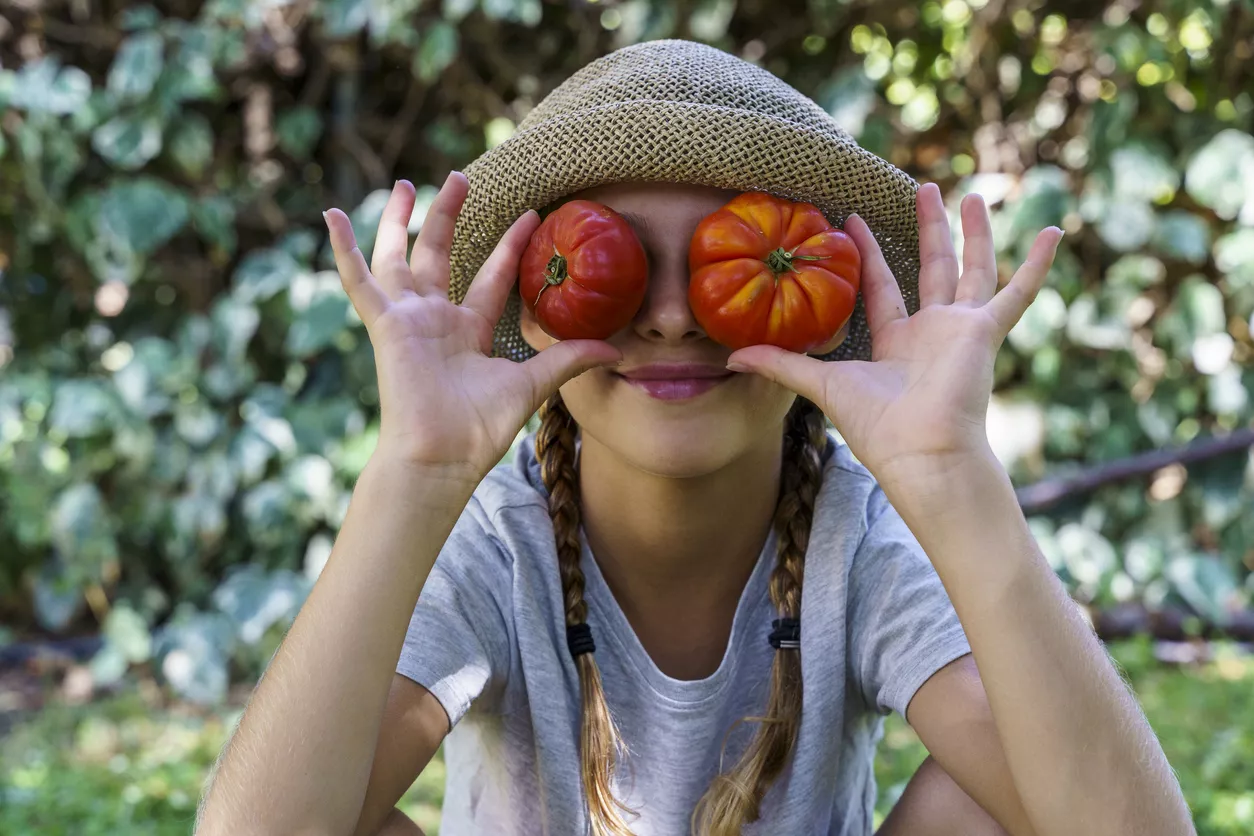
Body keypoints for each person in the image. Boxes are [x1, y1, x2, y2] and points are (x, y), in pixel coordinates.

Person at [195, 41, 1193, 836]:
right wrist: (414, 468)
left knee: (1007, 792)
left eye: (736, 261)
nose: (674, 317)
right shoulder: (500, 544)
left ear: (820, 305)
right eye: (616, 265)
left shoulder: (862, 541)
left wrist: (953, 471)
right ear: (537, 314)